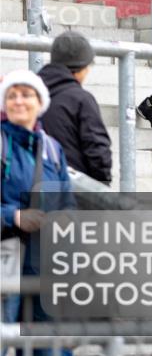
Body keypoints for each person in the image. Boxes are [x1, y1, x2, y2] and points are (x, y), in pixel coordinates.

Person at [0, 70, 74, 338]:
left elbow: (68, 201)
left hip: (45, 258)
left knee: (47, 339)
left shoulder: (53, 149)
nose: (19, 101)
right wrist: (14, 216)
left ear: (40, 102)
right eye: (12, 96)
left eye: (26, 95)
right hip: (6, 256)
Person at [37, 31, 111, 184]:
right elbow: (97, 148)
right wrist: (102, 185)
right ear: (80, 68)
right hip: (74, 190)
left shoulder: (28, 95)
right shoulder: (81, 100)